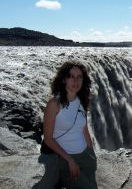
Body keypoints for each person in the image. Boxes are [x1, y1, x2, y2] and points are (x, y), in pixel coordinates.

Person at [35, 61, 98, 189]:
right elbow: (48, 139)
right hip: (66, 158)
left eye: (79, 77)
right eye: (71, 76)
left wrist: (92, 153)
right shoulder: (54, 104)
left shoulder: (81, 100)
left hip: (85, 155)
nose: (76, 81)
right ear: (64, 79)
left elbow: (84, 129)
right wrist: (69, 160)